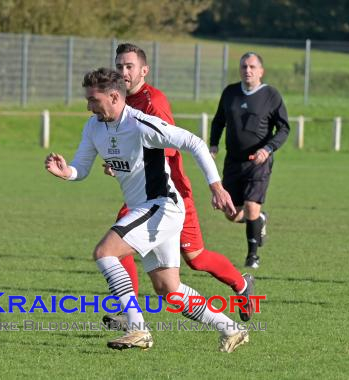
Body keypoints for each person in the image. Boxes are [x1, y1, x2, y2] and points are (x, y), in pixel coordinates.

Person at [45, 68, 249, 353]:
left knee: (105, 253)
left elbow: (194, 143)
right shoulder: (93, 127)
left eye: (93, 99)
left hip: (162, 206)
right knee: (169, 289)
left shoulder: (141, 124)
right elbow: (81, 168)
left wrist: (216, 187)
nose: (88, 105)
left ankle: (137, 328)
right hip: (149, 210)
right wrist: (66, 172)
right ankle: (231, 328)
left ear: (115, 97)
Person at [102, 43, 255, 329]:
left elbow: (169, 147)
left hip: (170, 191)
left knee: (195, 258)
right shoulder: (118, 100)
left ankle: (241, 284)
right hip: (146, 192)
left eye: (129, 66)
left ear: (143, 70)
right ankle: (130, 313)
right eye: (119, 65)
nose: (123, 71)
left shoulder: (153, 102)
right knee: (122, 239)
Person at [209, 52, 290, 269]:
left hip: (258, 161)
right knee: (232, 214)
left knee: (251, 206)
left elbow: (284, 129)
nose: (248, 70)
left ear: (261, 71)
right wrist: (213, 144)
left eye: (252, 67)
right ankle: (258, 221)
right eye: (244, 66)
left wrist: (268, 148)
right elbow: (218, 121)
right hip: (233, 162)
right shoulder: (230, 93)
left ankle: (252, 256)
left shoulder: (271, 95)